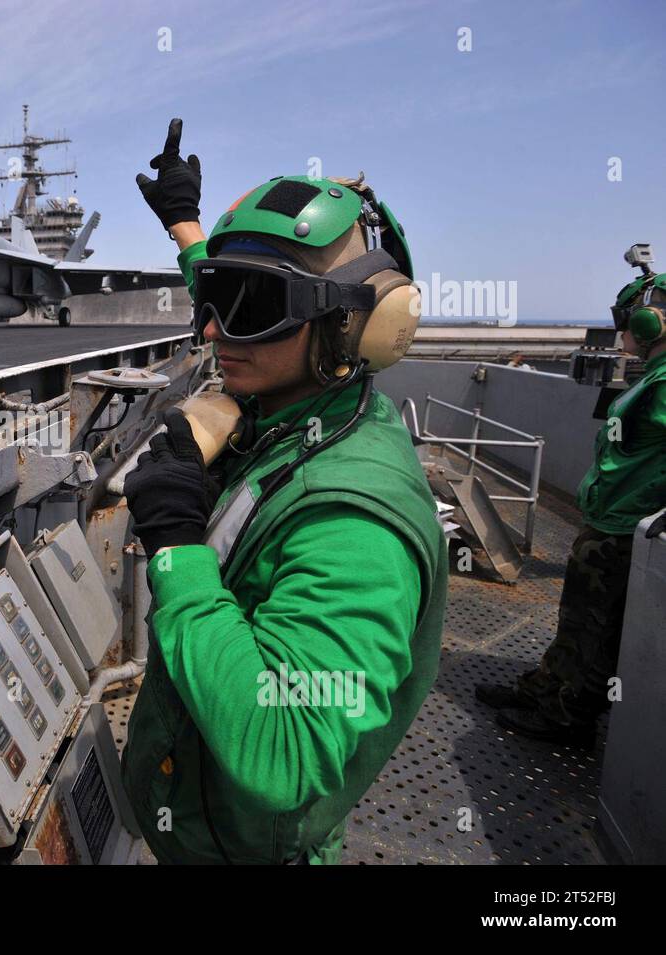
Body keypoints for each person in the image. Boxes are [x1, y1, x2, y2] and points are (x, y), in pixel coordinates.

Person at [119, 119, 446, 864]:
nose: (214, 332)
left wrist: (174, 547)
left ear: (352, 327)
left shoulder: (355, 522)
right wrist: (186, 229)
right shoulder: (305, 399)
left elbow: (285, 747)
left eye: (253, 304)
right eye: (212, 297)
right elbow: (241, 300)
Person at [476, 250, 666, 745]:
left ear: (649, 321)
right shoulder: (653, 377)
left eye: (625, 320)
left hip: (626, 528)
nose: (622, 332)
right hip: (608, 521)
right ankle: (544, 688)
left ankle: (569, 716)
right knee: (577, 620)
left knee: (596, 630)